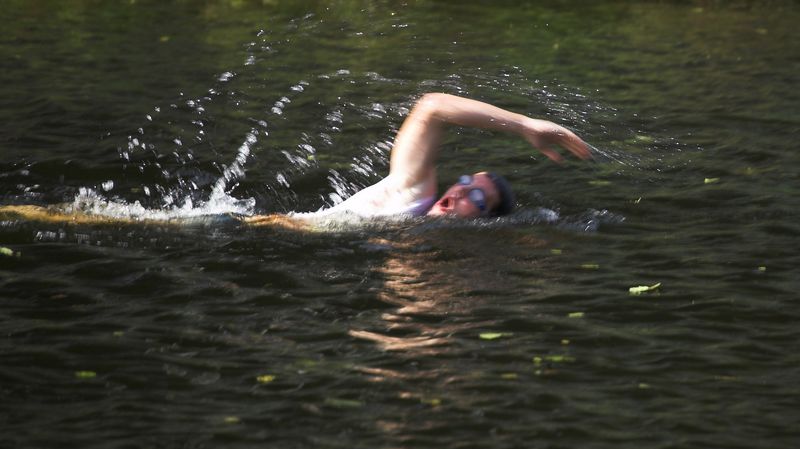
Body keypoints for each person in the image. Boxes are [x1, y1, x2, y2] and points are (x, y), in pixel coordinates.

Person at [0, 93, 590, 228]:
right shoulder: (408, 194)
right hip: (234, 227)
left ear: (483, 221)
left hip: (247, 234)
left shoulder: (427, 241)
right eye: (465, 180)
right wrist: (526, 125)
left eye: (475, 198)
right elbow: (431, 107)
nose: (459, 192)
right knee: (70, 217)